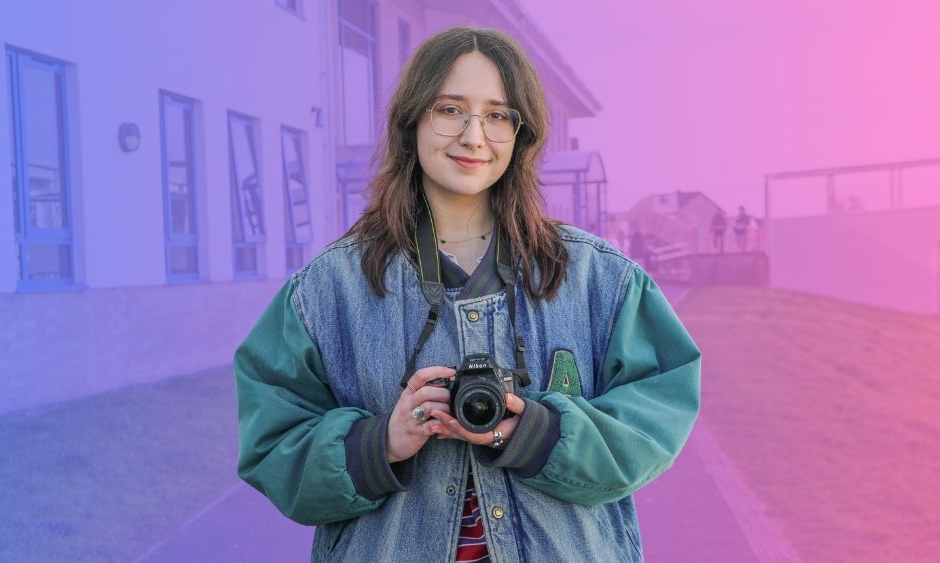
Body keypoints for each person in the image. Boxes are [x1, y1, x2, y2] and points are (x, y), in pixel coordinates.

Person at [235, 27, 700, 562]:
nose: (474, 136)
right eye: (450, 109)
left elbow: (658, 412)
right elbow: (272, 443)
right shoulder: (326, 292)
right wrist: (381, 443)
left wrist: (538, 434)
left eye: (498, 115)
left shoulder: (600, 279)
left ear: (521, 133)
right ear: (411, 120)